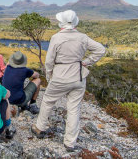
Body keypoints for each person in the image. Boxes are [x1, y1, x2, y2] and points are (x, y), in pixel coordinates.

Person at [31, 10, 105, 152]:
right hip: (78, 76)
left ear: (62, 23)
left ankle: (40, 128)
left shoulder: (56, 38)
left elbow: (49, 61)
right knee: (74, 109)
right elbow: (100, 50)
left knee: (47, 101)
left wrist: (49, 76)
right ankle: (70, 142)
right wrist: (86, 62)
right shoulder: (82, 37)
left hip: (60, 76)